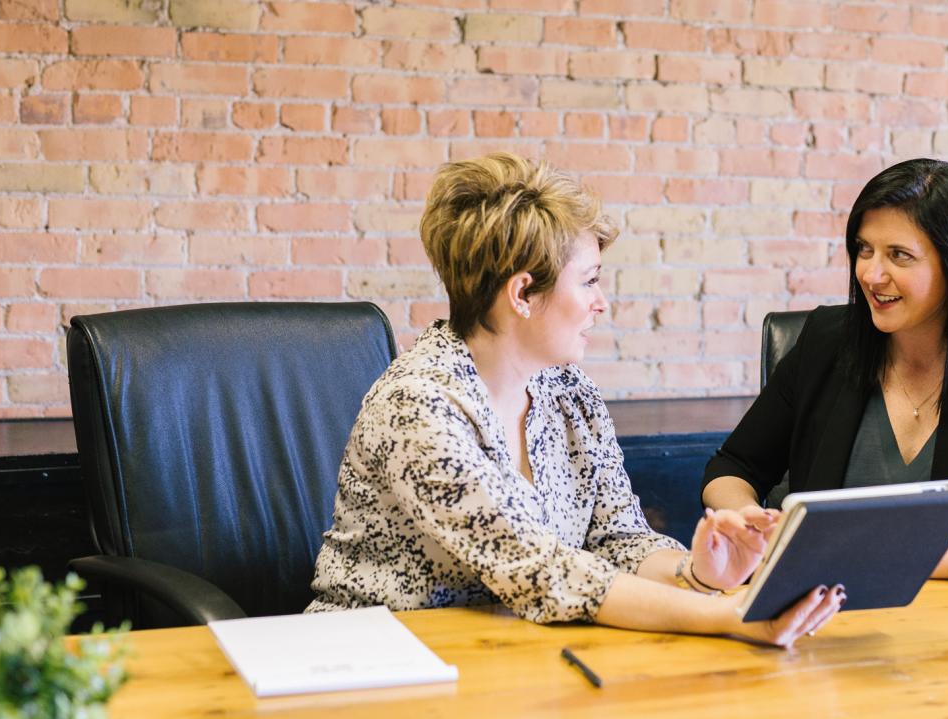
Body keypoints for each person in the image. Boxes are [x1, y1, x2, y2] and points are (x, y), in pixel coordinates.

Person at [308, 152, 844, 646]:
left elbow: (619, 538)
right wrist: (730, 616)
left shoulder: (568, 391)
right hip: (372, 661)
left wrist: (699, 573)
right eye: (589, 281)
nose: (601, 303)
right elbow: (542, 570)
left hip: (511, 654)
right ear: (522, 294)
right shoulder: (418, 406)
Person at [702, 158, 948, 585]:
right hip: (822, 613)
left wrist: (862, 553)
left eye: (899, 255)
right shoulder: (827, 341)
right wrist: (746, 521)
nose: (871, 273)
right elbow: (732, 466)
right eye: (864, 250)